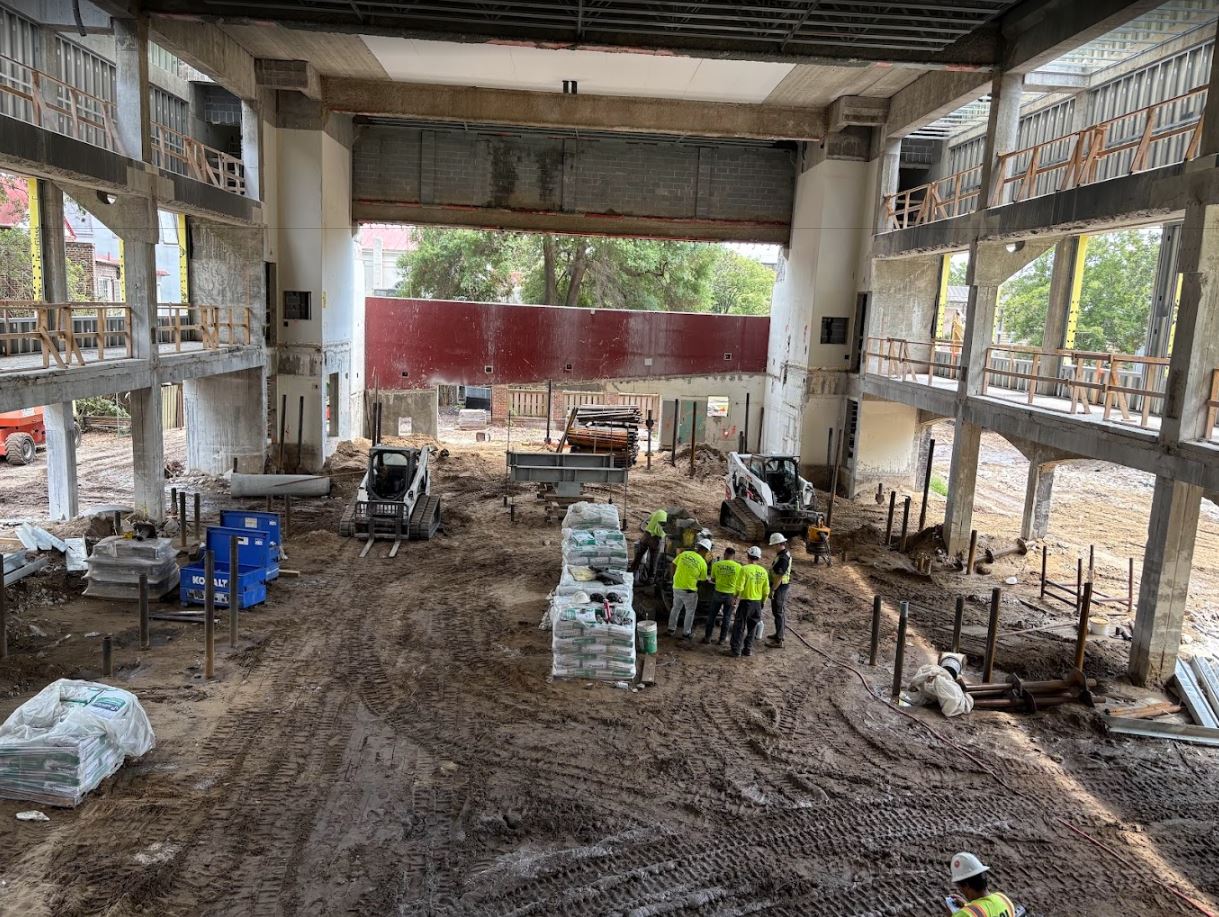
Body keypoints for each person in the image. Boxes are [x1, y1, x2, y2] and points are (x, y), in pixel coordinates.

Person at [945, 852, 1016, 917]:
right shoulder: (1004, 899)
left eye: (959, 886)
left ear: (966, 886)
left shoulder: (966, 914)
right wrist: (968, 906)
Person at [729, 546, 770, 657]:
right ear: (758, 558)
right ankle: (747, 650)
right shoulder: (763, 571)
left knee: (739, 626)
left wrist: (735, 598)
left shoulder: (745, 569)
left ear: (748, 556)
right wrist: (763, 602)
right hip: (757, 603)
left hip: (746, 603)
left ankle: (736, 650)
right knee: (752, 627)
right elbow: (766, 591)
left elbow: (739, 587)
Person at [669, 539, 710, 641]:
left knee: (675, 608)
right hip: (689, 591)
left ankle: (671, 629)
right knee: (690, 612)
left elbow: (673, 564)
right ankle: (686, 633)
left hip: (677, 586)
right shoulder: (703, 563)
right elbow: (703, 580)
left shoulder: (684, 553)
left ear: (698, 547)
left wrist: (673, 577)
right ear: (705, 551)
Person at [702, 547, 741, 645]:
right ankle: (722, 639)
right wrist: (736, 597)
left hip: (718, 593)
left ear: (725, 554)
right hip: (730, 595)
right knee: (727, 617)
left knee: (711, 616)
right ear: (734, 556)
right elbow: (740, 583)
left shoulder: (717, 564)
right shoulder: (739, 567)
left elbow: (713, 580)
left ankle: (707, 638)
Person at [766, 533, 792, 648]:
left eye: (773, 545)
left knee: (778, 612)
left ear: (778, 544)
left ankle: (779, 640)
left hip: (779, 587)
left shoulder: (783, 558)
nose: (772, 547)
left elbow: (779, 577)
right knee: (778, 611)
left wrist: (772, 590)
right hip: (779, 586)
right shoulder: (782, 554)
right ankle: (778, 634)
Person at [630, 508, 667, 574]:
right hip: (655, 539)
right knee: (653, 560)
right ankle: (651, 578)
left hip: (646, 536)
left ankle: (632, 571)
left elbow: (648, 519)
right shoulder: (667, 518)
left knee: (639, 555)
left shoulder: (657, 512)